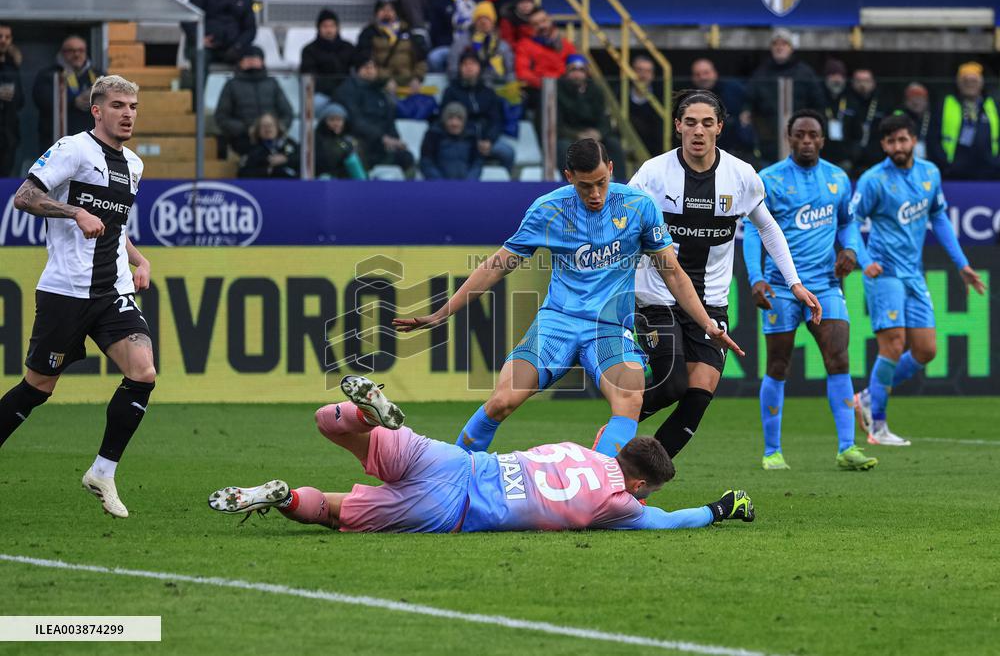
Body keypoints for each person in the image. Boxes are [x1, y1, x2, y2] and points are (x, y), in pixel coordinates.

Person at [393, 138, 742, 456]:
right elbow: (496, 266)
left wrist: (707, 324)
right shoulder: (548, 210)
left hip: (608, 327)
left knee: (630, 399)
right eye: (584, 186)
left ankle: (602, 493)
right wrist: (442, 313)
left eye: (601, 183)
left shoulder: (638, 206)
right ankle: (453, 473)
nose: (595, 194)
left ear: (611, 171)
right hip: (557, 322)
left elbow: (674, 274)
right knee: (502, 401)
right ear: (569, 177)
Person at [209, 376, 756, 532]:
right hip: (454, 512)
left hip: (456, 463)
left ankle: (367, 413)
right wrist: (717, 509)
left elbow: (616, 429)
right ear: (638, 486)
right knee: (331, 512)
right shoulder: (619, 502)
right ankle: (282, 497)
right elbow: (664, 521)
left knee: (329, 424)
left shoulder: (582, 450)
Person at [629, 90, 820, 459]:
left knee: (698, 396)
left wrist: (794, 282)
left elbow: (768, 228)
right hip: (658, 298)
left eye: (706, 123)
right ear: (677, 126)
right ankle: (615, 429)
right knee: (671, 386)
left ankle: (640, 477)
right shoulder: (653, 174)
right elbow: (624, 225)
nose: (697, 131)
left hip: (711, 303)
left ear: (719, 127)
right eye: (690, 122)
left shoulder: (741, 175)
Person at [0, 75, 154, 519]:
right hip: (66, 291)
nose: (128, 113)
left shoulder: (135, 166)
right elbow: (24, 196)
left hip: (113, 291)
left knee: (143, 371)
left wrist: (139, 260)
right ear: (98, 110)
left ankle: (103, 471)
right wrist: (74, 210)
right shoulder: (73, 150)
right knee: (36, 389)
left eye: (133, 106)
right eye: (119, 105)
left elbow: (117, 225)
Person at [742, 109, 877, 471]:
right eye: (799, 134)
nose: (806, 140)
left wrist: (849, 249)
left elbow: (847, 224)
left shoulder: (837, 178)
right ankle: (772, 451)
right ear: (789, 136)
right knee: (778, 364)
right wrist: (756, 277)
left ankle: (847, 448)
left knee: (839, 359)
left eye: (812, 135)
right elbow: (754, 231)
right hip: (781, 288)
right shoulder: (767, 179)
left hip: (826, 284)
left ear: (822, 139)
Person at [851, 114, 986, 445]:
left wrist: (962, 264)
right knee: (894, 344)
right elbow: (850, 222)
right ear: (883, 145)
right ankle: (878, 427)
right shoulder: (873, 180)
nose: (898, 146)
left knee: (926, 350)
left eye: (903, 139)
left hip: (914, 273)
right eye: (891, 141)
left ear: (914, 140)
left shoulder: (930, 173)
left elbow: (938, 218)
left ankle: (867, 396)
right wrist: (865, 260)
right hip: (884, 272)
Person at [742, 28, 824, 163]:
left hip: (800, 141)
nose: (779, 47)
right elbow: (748, 102)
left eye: (784, 44)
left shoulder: (805, 73)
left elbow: (818, 104)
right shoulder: (761, 74)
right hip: (768, 142)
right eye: (776, 44)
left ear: (791, 48)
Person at [335, 53, 414, 172]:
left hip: (381, 145)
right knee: (356, 153)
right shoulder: (347, 90)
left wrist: (395, 140)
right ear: (357, 70)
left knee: (407, 158)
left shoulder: (380, 91)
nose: (370, 71)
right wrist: (382, 138)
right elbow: (355, 121)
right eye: (366, 67)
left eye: (373, 67)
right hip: (360, 142)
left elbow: (389, 120)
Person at [441, 52, 515, 172]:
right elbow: (446, 119)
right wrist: (471, 139)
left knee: (507, 152)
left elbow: (496, 120)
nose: (469, 67)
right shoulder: (451, 92)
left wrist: (489, 140)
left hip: (487, 140)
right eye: (465, 64)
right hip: (461, 140)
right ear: (459, 68)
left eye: (473, 64)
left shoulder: (488, 93)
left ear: (479, 68)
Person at [214, 45, 293, 156]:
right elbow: (222, 117)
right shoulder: (231, 85)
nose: (251, 62)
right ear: (240, 63)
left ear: (262, 61)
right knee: (258, 156)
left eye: (255, 58)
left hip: (273, 136)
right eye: (247, 59)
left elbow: (287, 113)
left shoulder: (272, 83)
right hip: (244, 137)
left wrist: (275, 128)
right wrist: (247, 129)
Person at [556, 55, 626, 179]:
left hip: (593, 135)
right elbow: (557, 125)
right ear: (566, 71)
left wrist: (599, 133)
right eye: (573, 70)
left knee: (613, 144)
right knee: (563, 146)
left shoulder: (596, 90)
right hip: (569, 135)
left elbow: (605, 119)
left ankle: (621, 184)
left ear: (587, 72)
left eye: (581, 70)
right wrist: (577, 135)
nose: (577, 74)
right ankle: (568, 183)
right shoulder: (557, 91)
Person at [928, 61, 1000, 180]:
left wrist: (996, 162)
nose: (970, 84)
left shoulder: (993, 105)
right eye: (965, 81)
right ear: (958, 83)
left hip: (990, 173)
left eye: (974, 80)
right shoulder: (945, 104)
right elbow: (932, 138)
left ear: (981, 83)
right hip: (953, 173)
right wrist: (945, 164)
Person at [33, 35, 104, 149]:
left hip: (90, 142)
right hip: (57, 141)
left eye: (80, 50)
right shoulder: (49, 75)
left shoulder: (97, 75)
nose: (76, 54)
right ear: (62, 53)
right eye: (71, 51)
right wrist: (73, 101)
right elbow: (42, 101)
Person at [690, 58, 754, 161]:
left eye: (706, 73)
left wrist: (746, 114)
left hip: (737, 150)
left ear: (714, 73)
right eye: (698, 74)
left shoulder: (733, 89)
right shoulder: (689, 97)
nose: (702, 77)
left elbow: (752, 102)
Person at [358, 0, 429, 88]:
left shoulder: (407, 31)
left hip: (408, 79)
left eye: (390, 9)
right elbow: (366, 61)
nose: (386, 13)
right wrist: (383, 79)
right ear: (376, 13)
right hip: (381, 81)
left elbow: (421, 60)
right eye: (382, 9)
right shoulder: (368, 33)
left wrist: (417, 78)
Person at [515, 8, 577, 110]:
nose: (542, 26)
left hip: (564, 88)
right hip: (539, 90)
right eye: (536, 24)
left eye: (543, 21)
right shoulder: (525, 45)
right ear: (531, 27)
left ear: (550, 20)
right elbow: (522, 72)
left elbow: (574, 66)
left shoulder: (566, 45)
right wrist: (545, 83)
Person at [300, 9, 356, 114]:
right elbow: (310, 78)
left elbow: (356, 72)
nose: (329, 30)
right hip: (322, 95)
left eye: (332, 26)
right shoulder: (309, 50)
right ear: (319, 28)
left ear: (337, 28)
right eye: (325, 26)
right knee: (313, 105)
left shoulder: (349, 47)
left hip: (346, 93)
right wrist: (335, 92)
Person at [182, 0, 256, 68]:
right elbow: (187, 18)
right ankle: (196, 80)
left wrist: (238, 45)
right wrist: (199, 38)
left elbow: (250, 29)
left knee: (256, 55)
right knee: (200, 56)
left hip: (233, 48)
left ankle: (244, 80)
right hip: (205, 47)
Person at [447, 1, 514, 86]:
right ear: (475, 22)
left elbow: (510, 71)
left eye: (487, 18)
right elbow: (453, 67)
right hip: (469, 86)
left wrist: (511, 87)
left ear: (493, 22)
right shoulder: (463, 41)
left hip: (498, 85)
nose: (483, 22)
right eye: (479, 18)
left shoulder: (502, 45)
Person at [419, 102, 482, 180]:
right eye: (450, 118)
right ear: (444, 120)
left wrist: (469, 182)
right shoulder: (433, 135)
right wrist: (440, 183)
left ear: (464, 121)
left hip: (466, 187)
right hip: (438, 187)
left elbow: (477, 163)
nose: (454, 123)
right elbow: (426, 162)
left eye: (459, 118)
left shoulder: (471, 136)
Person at [843, 68, 885, 178]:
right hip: (850, 159)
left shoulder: (882, 102)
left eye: (866, 81)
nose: (862, 84)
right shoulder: (845, 101)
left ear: (873, 83)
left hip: (875, 158)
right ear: (852, 83)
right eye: (859, 81)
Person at [425, 0, 476, 72]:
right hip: (449, 46)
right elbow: (436, 33)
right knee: (434, 58)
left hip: (477, 46)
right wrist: (455, 48)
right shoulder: (440, 1)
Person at [237, 112, 300, 179]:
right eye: (264, 126)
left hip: (291, 185)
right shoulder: (251, 147)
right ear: (258, 130)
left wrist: (286, 159)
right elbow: (242, 174)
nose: (268, 129)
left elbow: (302, 163)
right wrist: (267, 170)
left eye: (270, 125)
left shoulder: (289, 144)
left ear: (277, 127)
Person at [314, 103, 367, 180]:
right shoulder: (316, 140)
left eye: (339, 120)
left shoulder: (349, 140)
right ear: (324, 121)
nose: (336, 124)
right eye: (332, 120)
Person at [0, 22, 24, 177]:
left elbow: (21, 101)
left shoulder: (12, 65)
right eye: (0, 36)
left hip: (8, 135)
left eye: (7, 37)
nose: (3, 40)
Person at [628, 54, 664, 157]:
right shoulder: (620, 93)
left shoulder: (661, 96)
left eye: (648, 71)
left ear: (653, 75)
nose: (643, 75)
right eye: (639, 70)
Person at [820, 58, 851, 170]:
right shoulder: (818, 98)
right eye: (833, 74)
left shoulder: (850, 99)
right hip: (822, 157)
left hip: (846, 159)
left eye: (840, 75)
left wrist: (852, 155)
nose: (837, 79)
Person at [896, 83, 932, 161]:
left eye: (920, 98)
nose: (916, 102)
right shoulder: (898, 117)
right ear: (906, 101)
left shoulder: (932, 118)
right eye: (912, 98)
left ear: (926, 101)